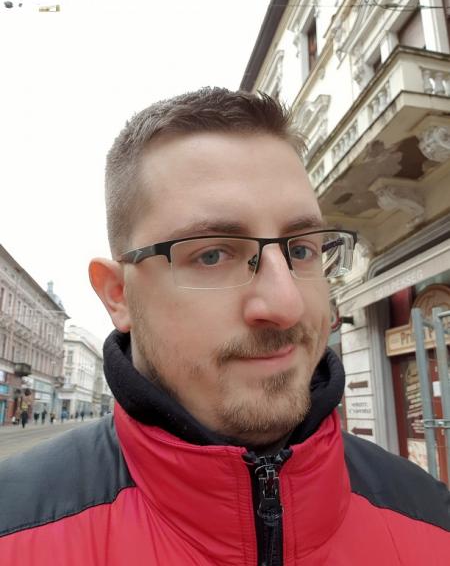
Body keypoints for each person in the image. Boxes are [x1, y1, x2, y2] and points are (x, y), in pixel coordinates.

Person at [0, 88, 448, 564]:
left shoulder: (434, 520)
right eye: (212, 254)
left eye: (301, 250)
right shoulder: (16, 530)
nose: (286, 304)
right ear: (119, 294)